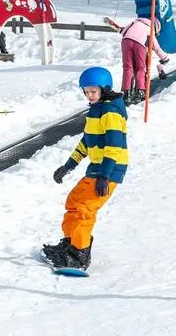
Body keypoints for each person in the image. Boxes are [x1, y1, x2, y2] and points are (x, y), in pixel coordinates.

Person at [43, 67, 128, 271]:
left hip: (110, 168)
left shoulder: (111, 112)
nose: (89, 95)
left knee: (85, 208)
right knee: (73, 202)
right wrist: (68, 166)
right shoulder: (96, 110)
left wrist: (105, 177)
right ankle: (71, 244)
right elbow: (87, 142)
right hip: (97, 167)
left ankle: (80, 255)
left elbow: (114, 147)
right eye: (86, 91)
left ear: (104, 89)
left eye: (93, 91)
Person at [119, 16, 169, 105]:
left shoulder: (134, 22)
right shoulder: (150, 30)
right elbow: (156, 48)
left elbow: (123, 32)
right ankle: (140, 91)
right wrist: (165, 58)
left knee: (127, 67)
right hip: (139, 45)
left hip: (126, 41)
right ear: (156, 27)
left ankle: (126, 92)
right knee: (140, 68)